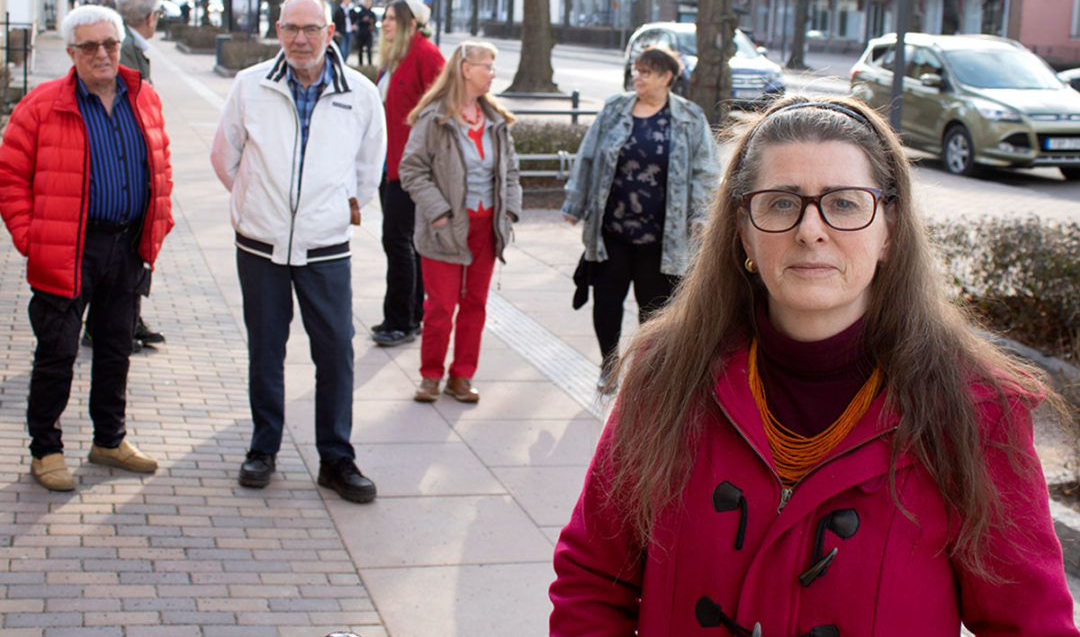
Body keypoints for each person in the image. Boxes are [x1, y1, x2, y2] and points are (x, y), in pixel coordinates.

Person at [549, 97, 1080, 635]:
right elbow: (592, 581)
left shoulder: (977, 409)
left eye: (845, 203)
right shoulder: (667, 376)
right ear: (743, 229)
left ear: (889, 229)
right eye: (781, 203)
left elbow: (1031, 624)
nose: (810, 230)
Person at [210, 0, 386, 503]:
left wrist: (336, 210)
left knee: (335, 352)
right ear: (279, 30)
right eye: (291, 28)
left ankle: (336, 457)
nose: (300, 39)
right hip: (260, 242)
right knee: (266, 349)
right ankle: (263, 448)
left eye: (311, 29)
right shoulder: (250, 86)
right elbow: (226, 157)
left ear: (331, 32)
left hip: (325, 245)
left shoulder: (359, 92)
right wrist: (256, 204)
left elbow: (369, 166)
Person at [0, 5, 174, 491]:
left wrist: (160, 221)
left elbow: (161, 164)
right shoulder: (41, 104)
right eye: (91, 46)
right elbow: (9, 176)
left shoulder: (145, 99)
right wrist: (31, 239)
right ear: (72, 51)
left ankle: (109, 440)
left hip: (127, 244)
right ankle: (46, 449)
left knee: (117, 347)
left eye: (110, 45)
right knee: (56, 352)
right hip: (68, 246)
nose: (103, 55)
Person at [562, 45, 721, 389]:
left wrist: (700, 215)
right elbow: (588, 156)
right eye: (635, 70)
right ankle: (609, 365)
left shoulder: (690, 117)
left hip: (662, 236)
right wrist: (574, 205)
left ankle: (648, 374)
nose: (637, 76)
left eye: (646, 72)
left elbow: (706, 171)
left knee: (655, 309)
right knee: (607, 300)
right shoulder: (614, 109)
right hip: (612, 230)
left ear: (666, 78)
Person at [400, 41, 522, 404]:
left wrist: (510, 211)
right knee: (441, 306)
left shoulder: (496, 121)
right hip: (446, 227)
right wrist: (438, 211)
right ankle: (430, 375)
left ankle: (462, 375)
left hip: (487, 227)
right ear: (465, 68)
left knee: (476, 304)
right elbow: (412, 169)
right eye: (487, 66)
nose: (492, 74)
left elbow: (511, 172)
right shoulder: (435, 118)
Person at [371, 0, 445, 347]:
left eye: (392, 19)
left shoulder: (427, 55)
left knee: (396, 240)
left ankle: (400, 320)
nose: (385, 24)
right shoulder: (395, 57)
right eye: (384, 18)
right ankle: (409, 315)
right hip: (389, 165)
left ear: (412, 24)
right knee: (405, 243)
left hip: (410, 169)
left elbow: (445, 108)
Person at [102, 0, 167, 350]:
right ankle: (116, 323)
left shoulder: (131, 45)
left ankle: (127, 318)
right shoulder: (125, 48)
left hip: (134, 163)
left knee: (133, 250)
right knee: (126, 250)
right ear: (148, 17)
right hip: (126, 166)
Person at [352, 0, 377, 66]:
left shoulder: (372, 13)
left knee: (369, 49)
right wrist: (363, 20)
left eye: (370, 3)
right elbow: (357, 22)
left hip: (369, 33)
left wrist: (371, 22)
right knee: (360, 49)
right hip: (361, 33)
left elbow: (374, 22)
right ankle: (360, 63)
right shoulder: (360, 13)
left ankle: (370, 63)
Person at [332, 0, 354, 66]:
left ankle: (344, 62)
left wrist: (354, 25)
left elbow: (356, 18)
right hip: (342, 32)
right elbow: (335, 20)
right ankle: (342, 63)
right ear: (344, 0)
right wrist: (336, 31)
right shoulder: (339, 10)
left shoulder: (351, 9)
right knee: (343, 48)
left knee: (348, 49)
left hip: (349, 31)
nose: (349, 1)